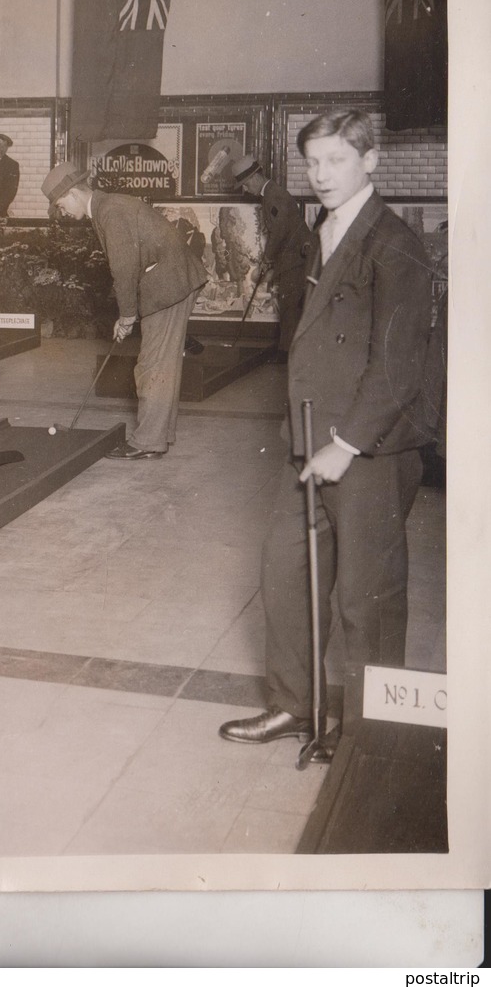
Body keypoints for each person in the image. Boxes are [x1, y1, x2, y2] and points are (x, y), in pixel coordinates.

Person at [218, 110, 435, 755]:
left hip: (366, 448)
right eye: (312, 162)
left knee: (364, 599)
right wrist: (314, 439)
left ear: (370, 162)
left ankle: (367, 735)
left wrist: (347, 444)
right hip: (311, 439)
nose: (321, 175)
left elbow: (399, 367)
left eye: (336, 160)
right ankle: (294, 706)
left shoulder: (393, 243)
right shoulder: (324, 232)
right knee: (285, 575)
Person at [41, 162, 207, 459]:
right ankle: (158, 437)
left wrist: (127, 315)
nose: (60, 211)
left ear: (73, 193)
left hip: (169, 285)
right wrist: (128, 312)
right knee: (162, 364)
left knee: (152, 365)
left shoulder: (110, 211)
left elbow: (124, 268)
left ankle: (147, 442)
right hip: (170, 282)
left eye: (59, 203)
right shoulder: (105, 207)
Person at [231, 153, 309, 353]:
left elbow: (280, 230)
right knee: (289, 305)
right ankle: (288, 351)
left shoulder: (274, 195)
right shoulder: (270, 195)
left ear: (255, 178)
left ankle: (286, 355)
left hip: (297, 259)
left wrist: (267, 259)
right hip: (293, 258)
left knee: (289, 306)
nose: (246, 190)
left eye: (246, 185)